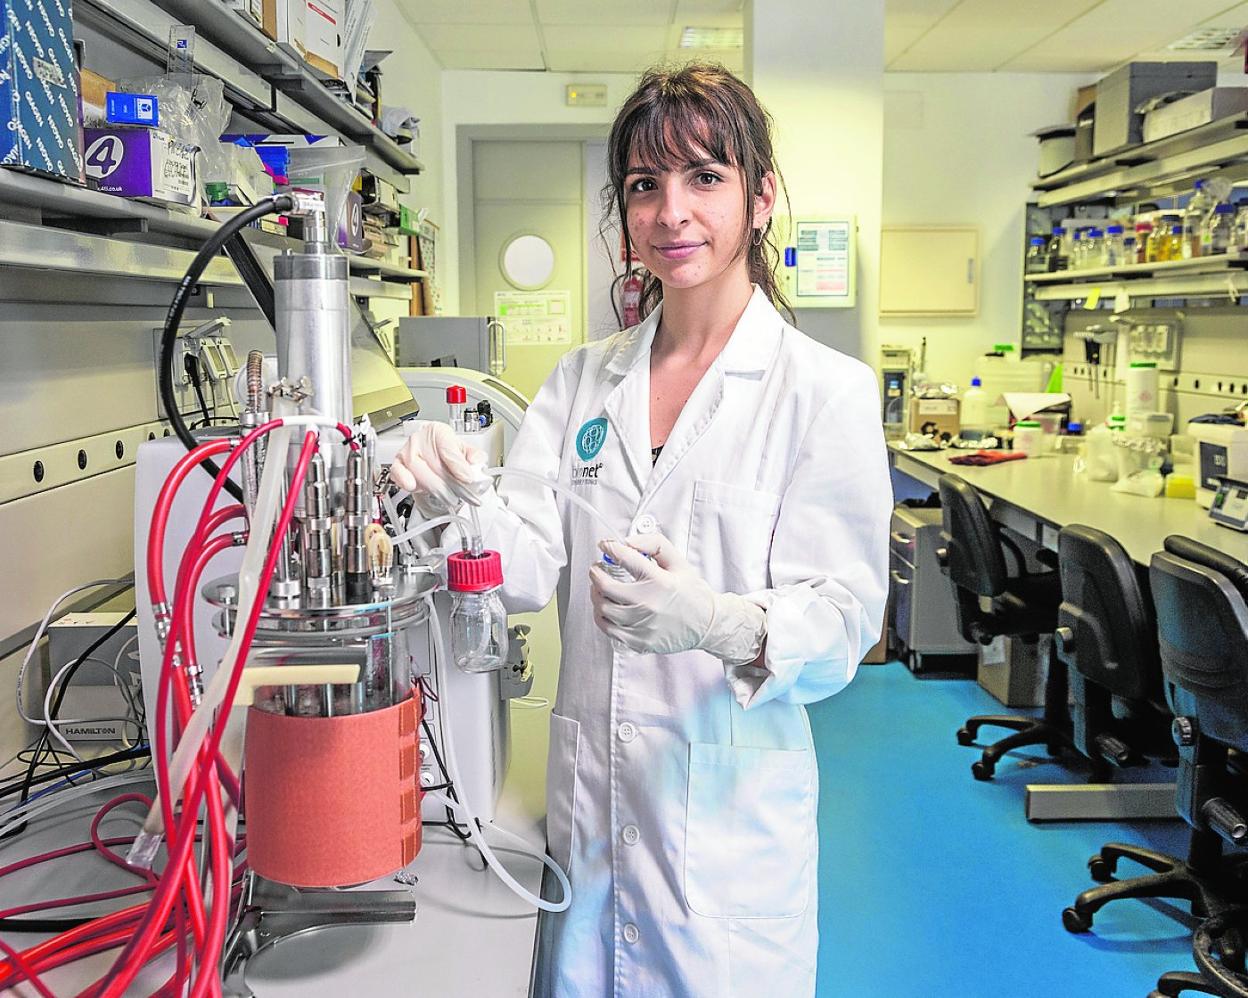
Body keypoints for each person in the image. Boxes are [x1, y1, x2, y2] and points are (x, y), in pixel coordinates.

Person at [390, 63, 891, 998]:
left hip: (728, 840)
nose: (672, 212)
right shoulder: (583, 381)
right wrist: (453, 497)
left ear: (762, 195)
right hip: (594, 810)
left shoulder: (823, 391)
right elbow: (527, 565)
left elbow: (844, 625)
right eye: (643, 185)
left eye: (705, 177)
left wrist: (718, 622)